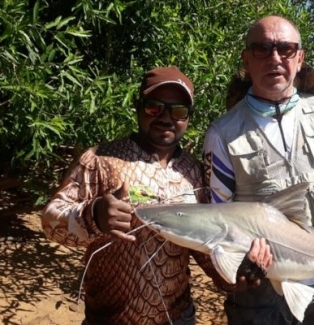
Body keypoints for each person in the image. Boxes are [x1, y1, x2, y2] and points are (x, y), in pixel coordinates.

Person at [41, 66, 272, 325]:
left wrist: (235, 277)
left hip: (177, 318)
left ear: (188, 118)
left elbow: (209, 250)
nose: (165, 117)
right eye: (154, 107)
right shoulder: (100, 160)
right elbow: (51, 222)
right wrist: (93, 215)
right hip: (107, 318)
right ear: (137, 106)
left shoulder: (195, 173)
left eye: (178, 111)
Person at [203, 15, 314, 325]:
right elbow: (218, 215)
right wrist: (239, 268)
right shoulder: (222, 133)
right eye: (261, 49)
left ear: (299, 59)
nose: (274, 58)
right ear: (246, 60)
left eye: (285, 49)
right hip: (260, 294)